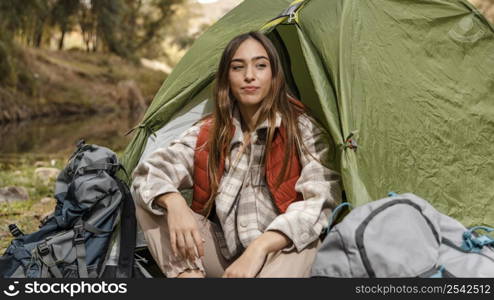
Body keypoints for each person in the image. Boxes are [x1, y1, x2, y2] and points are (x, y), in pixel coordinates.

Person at [131, 31, 341, 278]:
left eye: (260, 66)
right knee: (151, 202)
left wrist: (259, 247)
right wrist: (174, 202)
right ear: (226, 78)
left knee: (306, 239)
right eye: (238, 67)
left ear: (274, 76)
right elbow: (149, 172)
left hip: (280, 253)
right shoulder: (211, 132)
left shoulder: (302, 130)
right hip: (224, 255)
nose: (249, 76)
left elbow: (321, 200)